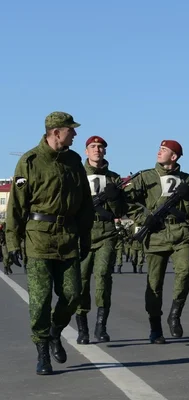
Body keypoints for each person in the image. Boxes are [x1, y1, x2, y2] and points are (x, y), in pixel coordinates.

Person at [6, 111, 94, 375]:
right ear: (56, 132)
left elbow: (86, 204)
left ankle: (56, 331)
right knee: (41, 299)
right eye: (71, 130)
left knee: (73, 294)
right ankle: (42, 350)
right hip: (38, 238)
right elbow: (17, 205)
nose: (75, 134)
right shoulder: (30, 161)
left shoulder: (75, 161)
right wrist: (12, 241)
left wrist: (86, 236)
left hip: (67, 237)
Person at [125, 140, 189, 344]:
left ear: (174, 156)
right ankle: (155, 327)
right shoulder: (145, 176)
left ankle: (175, 314)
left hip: (180, 232)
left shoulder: (186, 179)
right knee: (154, 283)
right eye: (159, 148)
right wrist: (143, 218)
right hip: (156, 233)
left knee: (185, 271)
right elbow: (127, 200)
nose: (159, 152)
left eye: (164, 150)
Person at [75, 136, 127, 345]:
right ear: (86, 151)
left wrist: (115, 200)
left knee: (104, 276)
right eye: (93, 147)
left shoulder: (114, 178)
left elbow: (122, 210)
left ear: (105, 152)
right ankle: (83, 328)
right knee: (82, 281)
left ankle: (101, 326)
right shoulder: (76, 175)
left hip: (106, 232)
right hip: (82, 232)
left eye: (100, 147)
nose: (97, 150)